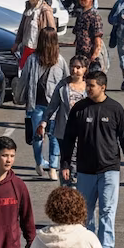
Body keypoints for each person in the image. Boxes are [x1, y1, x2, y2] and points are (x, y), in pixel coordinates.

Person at [59, 71, 124, 248]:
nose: (88, 89)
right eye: (87, 85)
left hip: (109, 168)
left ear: (103, 87)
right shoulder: (79, 109)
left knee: (107, 210)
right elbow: (69, 138)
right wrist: (65, 163)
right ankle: (89, 247)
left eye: (91, 86)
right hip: (85, 169)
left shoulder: (115, 109)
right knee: (86, 211)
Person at [18, 27, 68, 180]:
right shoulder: (42, 59)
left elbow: (23, 80)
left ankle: (47, 164)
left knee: (43, 136)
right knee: (49, 137)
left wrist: (19, 97)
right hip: (41, 104)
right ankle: (48, 166)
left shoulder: (53, 60)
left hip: (46, 105)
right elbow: (67, 80)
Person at [38, 55, 90, 186]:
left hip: (85, 131)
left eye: (78, 67)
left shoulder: (89, 87)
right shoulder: (63, 86)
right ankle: (67, 185)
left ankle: (76, 183)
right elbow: (52, 106)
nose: (75, 70)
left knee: (81, 159)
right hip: (65, 131)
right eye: (73, 66)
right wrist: (43, 122)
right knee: (67, 159)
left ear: (85, 69)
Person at [14, 0, 57, 67]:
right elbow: (22, 27)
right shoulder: (28, 9)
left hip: (39, 47)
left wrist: (51, 48)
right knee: (24, 68)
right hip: (27, 45)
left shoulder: (45, 10)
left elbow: (52, 31)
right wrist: (17, 43)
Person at [73, 0, 105, 73]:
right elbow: (77, 31)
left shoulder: (94, 15)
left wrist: (96, 52)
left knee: (90, 74)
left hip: (89, 51)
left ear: (91, 0)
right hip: (80, 50)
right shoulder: (80, 14)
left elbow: (97, 36)